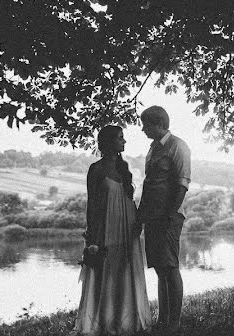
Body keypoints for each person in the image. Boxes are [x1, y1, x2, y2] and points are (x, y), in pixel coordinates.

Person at [72, 125, 151, 336]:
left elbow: (129, 199)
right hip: (106, 228)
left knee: (124, 273)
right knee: (105, 275)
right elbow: (92, 205)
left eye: (123, 138)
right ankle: (103, 322)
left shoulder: (124, 168)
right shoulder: (96, 169)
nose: (123, 142)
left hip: (128, 227)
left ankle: (125, 321)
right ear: (107, 142)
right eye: (119, 138)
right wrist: (91, 237)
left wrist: (138, 223)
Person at [135, 106, 191, 334]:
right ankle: (163, 320)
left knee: (170, 266)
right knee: (159, 267)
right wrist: (140, 215)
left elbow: (182, 183)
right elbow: (149, 185)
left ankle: (175, 322)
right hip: (152, 217)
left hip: (169, 217)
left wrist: (169, 214)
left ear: (158, 124)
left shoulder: (178, 145)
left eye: (145, 125)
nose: (142, 129)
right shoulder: (152, 148)